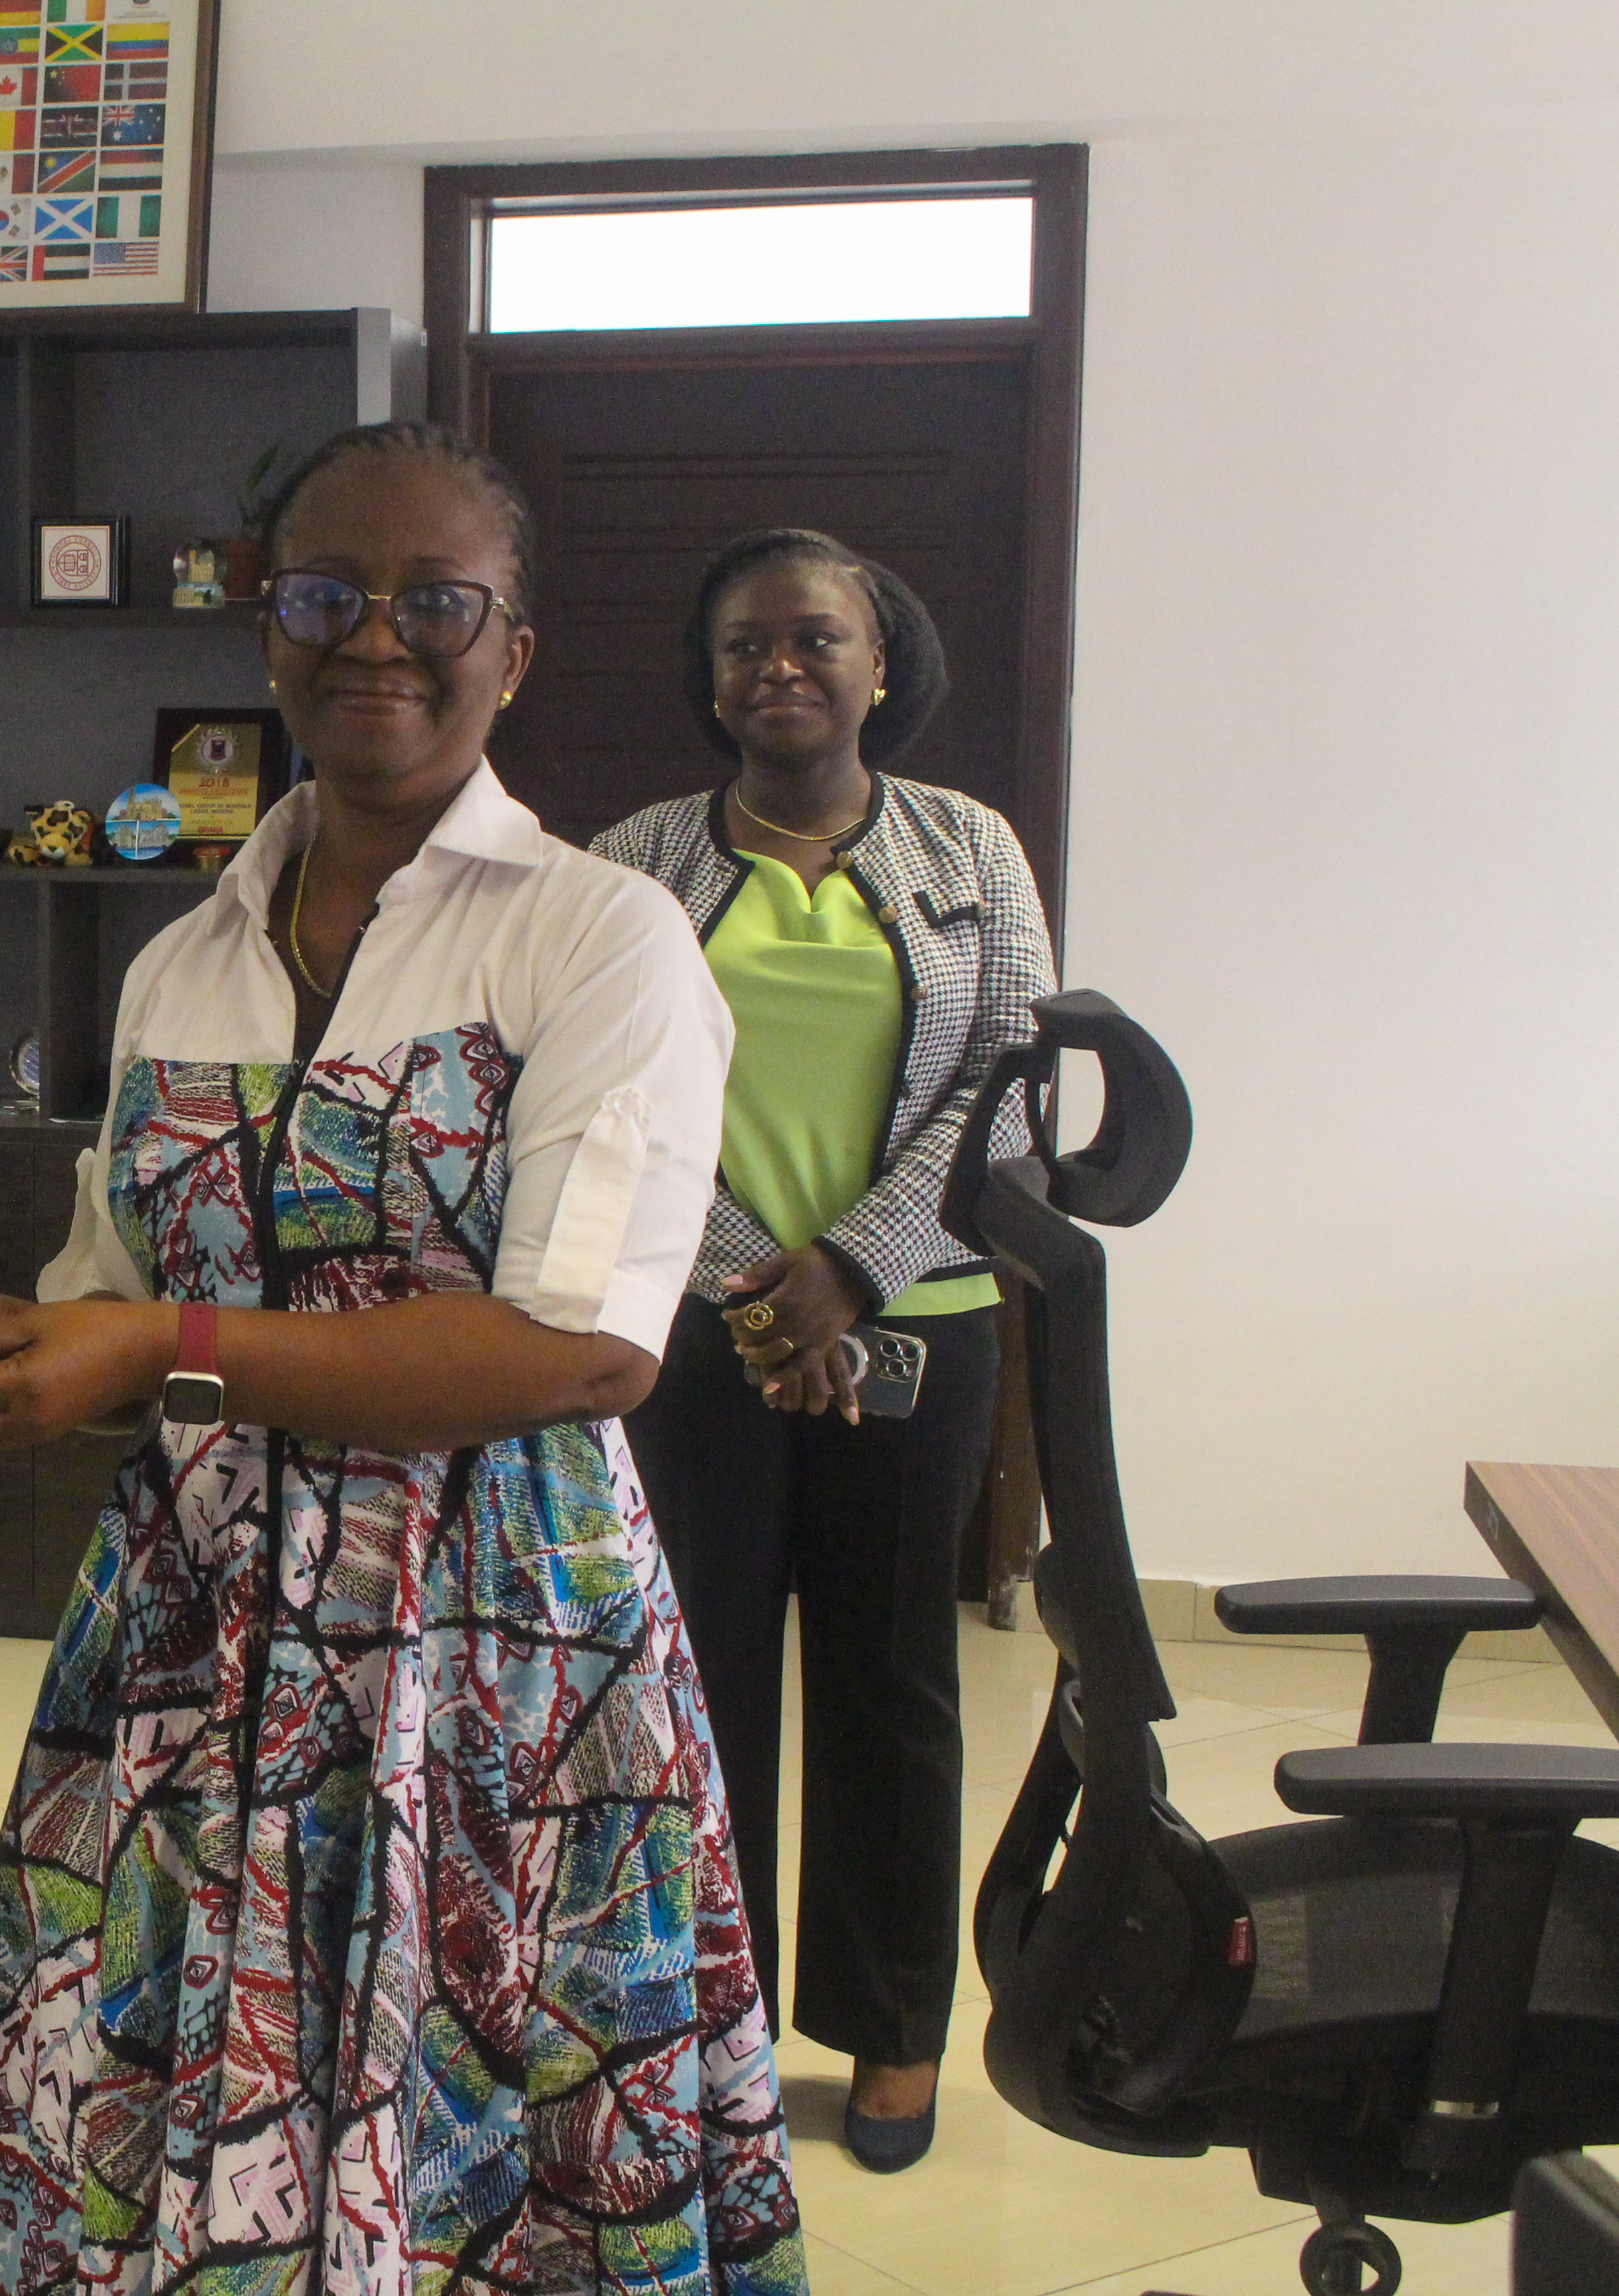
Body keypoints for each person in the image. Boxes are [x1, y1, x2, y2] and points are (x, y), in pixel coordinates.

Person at [0, 423, 807, 2295]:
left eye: (436, 602)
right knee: (167, 2107)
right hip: (196, 1632)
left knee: (473, 2147)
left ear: (514, 647)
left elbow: (578, 1350)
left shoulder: (599, 937)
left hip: (497, 1658)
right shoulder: (182, 956)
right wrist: (23, 1334)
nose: (377, 639)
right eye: (324, 597)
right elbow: (117, 1274)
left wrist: (158, 1343)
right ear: (265, 630)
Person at [591, 528, 1055, 2174]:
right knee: (692, 1685)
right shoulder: (639, 858)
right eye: (741, 645)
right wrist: (754, 1290)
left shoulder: (971, 851)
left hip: (918, 1328)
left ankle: (894, 2036)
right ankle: (709, 2035)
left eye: (813, 640)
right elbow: (604, 1102)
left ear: (881, 662)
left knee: (892, 1686)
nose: (776, 669)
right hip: (697, 1338)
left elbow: (1013, 1090)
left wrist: (851, 1272)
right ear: (708, 678)